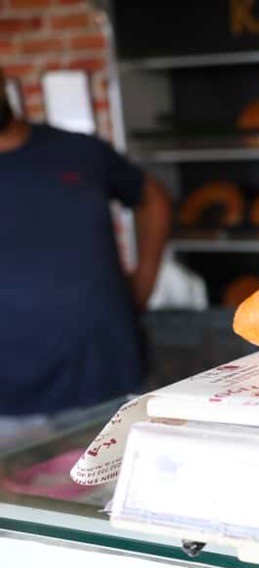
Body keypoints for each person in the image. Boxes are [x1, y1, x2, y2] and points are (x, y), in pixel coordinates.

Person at [0, 69, 172, 445]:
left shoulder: (78, 151)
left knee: (130, 481)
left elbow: (152, 198)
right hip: (8, 404)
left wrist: (144, 281)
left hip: (106, 377)